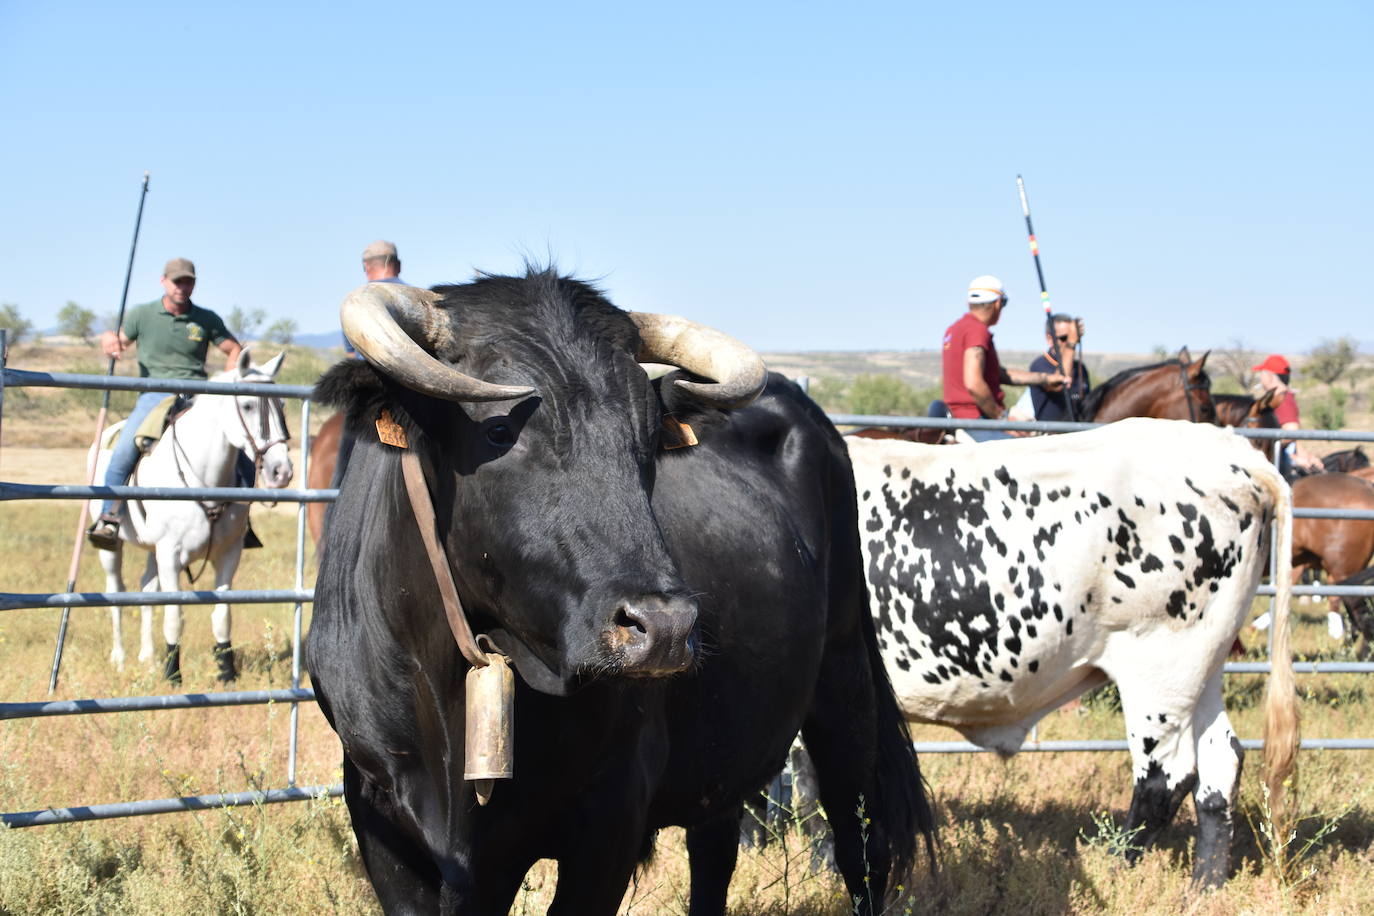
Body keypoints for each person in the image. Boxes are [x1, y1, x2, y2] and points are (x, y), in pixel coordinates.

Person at [87, 258, 245, 549]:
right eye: (177, 281)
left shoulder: (206, 319)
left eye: (189, 282)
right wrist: (109, 339)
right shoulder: (142, 314)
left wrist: (227, 380)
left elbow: (234, 348)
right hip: (154, 394)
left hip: (198, 396)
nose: (183, 288)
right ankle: (109, 516)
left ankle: (241, 520)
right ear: (163, 281)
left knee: (239, 448)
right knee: (124, 450)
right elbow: (118, 341)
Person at [941, 275, 1067, 442]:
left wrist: (1044, 378)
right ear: (998, 303)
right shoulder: (976, 331)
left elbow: (999, 374)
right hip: (975, 420)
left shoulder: (955, 328)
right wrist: (1002, 420)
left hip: (960, 417)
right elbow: (974, 383)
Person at [1253, 354, 1324, 477]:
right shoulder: (1280, 398)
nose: (1261, 378)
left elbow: (1291, 432)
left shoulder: (1283, 400)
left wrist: (1265, 448)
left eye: (1262, 374)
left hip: (1281, 464)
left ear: (1270, 377)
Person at [344, 240, 406, 355]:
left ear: (366, 267)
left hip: (366, 371)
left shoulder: (355, 303)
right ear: (398, 265)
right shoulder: (420, 299)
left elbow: (351, 354)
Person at [1029, 313, 1090, 421]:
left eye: (1074, 337)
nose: (1070, 341)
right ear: (1049, 339)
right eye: (1064, 338)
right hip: (1051, 435)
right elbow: (1058, 384)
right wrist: (1071, 344)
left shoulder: (1080, 368)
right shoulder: (1039, 365)